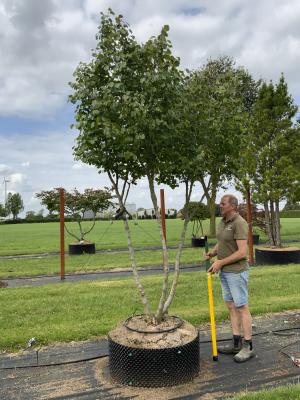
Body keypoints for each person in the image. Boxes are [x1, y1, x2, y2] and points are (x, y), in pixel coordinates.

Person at [205, 194, 255, 363]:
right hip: (225, 272)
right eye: (220, 203)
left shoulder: (239, 223)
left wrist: (220, 262)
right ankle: (236, 342)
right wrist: (213, 252)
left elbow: (243, 252)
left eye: (223, 204)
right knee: (231, 306)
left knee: (242, 307)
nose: (220, 206)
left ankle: (248, 347)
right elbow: (222, 241)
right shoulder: (223, 221)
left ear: (233, 206)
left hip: (236, 272)